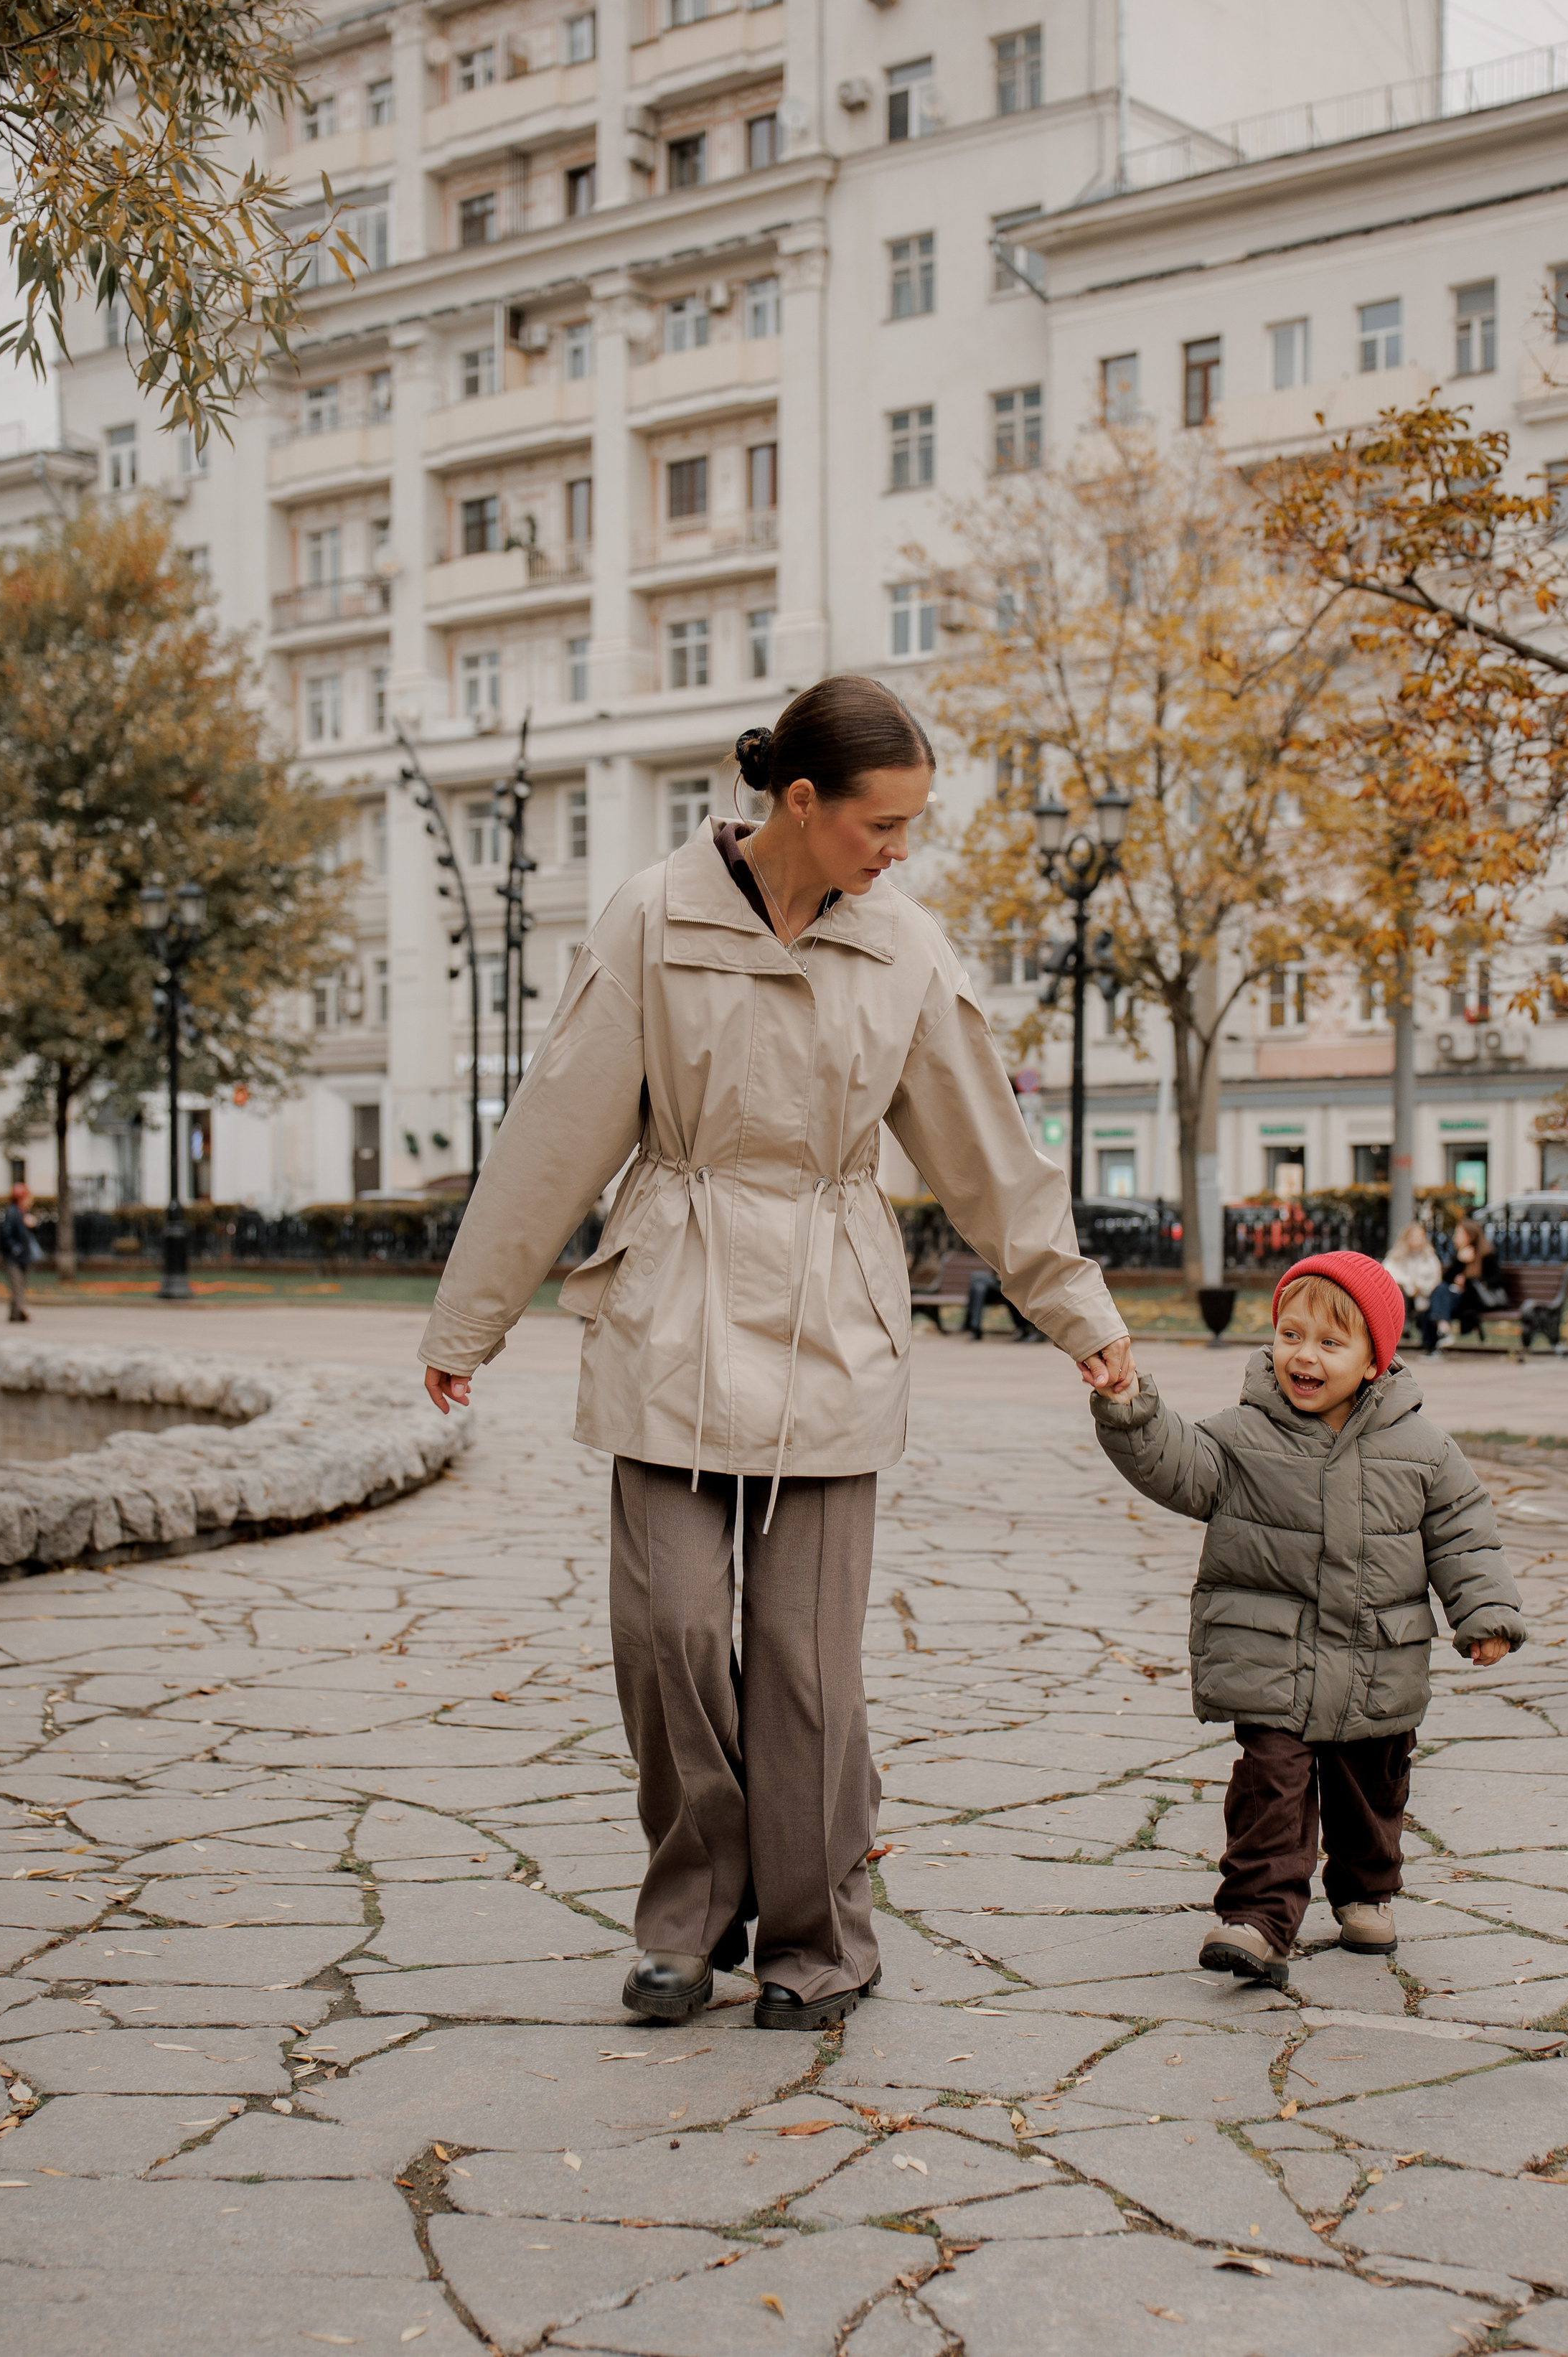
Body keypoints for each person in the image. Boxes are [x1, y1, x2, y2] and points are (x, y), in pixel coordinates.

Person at [418, 677, 1135, 2031]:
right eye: (886, 821)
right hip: (670, 1298)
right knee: (669, 1627)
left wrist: (1080, 1315)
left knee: (806, 1657)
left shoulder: (906, 947)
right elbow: (561, 1121)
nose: (902, 848)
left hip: (834, 1309)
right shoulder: (651, 915)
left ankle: (816, 1935)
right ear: (799, 802)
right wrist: (472, 1315)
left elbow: (990, 1155)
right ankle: (688, 1916)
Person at [1089, 1250, 1524, 1986]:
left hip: (1375, 1659)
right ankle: (1256, 1920)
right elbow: (1175, 1462)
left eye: (1329, 1342)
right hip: (1272, 1656)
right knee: (1270, 1787)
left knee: (1369, 1789)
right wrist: (1129, 1401)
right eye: (1291, 1334)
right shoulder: (1239, 1436)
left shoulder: (1422, 1448)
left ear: (1374, 1359)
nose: (1304, 1355)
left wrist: (1483, 1611)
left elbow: (1462, 1530)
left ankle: (1365, 1890)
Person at [1423, 1216, 1506, 1353]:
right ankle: (1442, 1331)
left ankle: (1441, 1335)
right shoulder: (1460, 1255)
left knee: (1437, 1299)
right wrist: (1460, 1261)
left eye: (1459, 1234)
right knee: (1439, 1293)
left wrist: (1467, 1282)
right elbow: (1446, 1280)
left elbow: (1496, 1280)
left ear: (1471, 1236)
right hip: (1457, 1299)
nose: (1455, 1238)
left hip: (1474, 1301)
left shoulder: (1487, 1256)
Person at [1382, 1219, 1442, 1349]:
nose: (1417, 1240)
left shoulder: (1430, 1257)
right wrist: (1409, 1285)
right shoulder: (1396, 1257)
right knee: (1399, 1290)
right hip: (1404, 1298)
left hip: (1424, 1297)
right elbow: (1387, 1274)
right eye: (1413, 1237)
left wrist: (1419, 1287)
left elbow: (1435, 1281)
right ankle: (1403, 1324)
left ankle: (1428, 1343)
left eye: (1420, 1237)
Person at [0, 1181, 37, 1323]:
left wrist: (33, 1225)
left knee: (20, 1285)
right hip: (13, 1257)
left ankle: (14, 1314)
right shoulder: (12, 1212)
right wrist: (15, 1249)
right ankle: (21, 1311)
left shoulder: (24, 1213)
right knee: (17, 1285)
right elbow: (5, 1234)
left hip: (23, 1256)